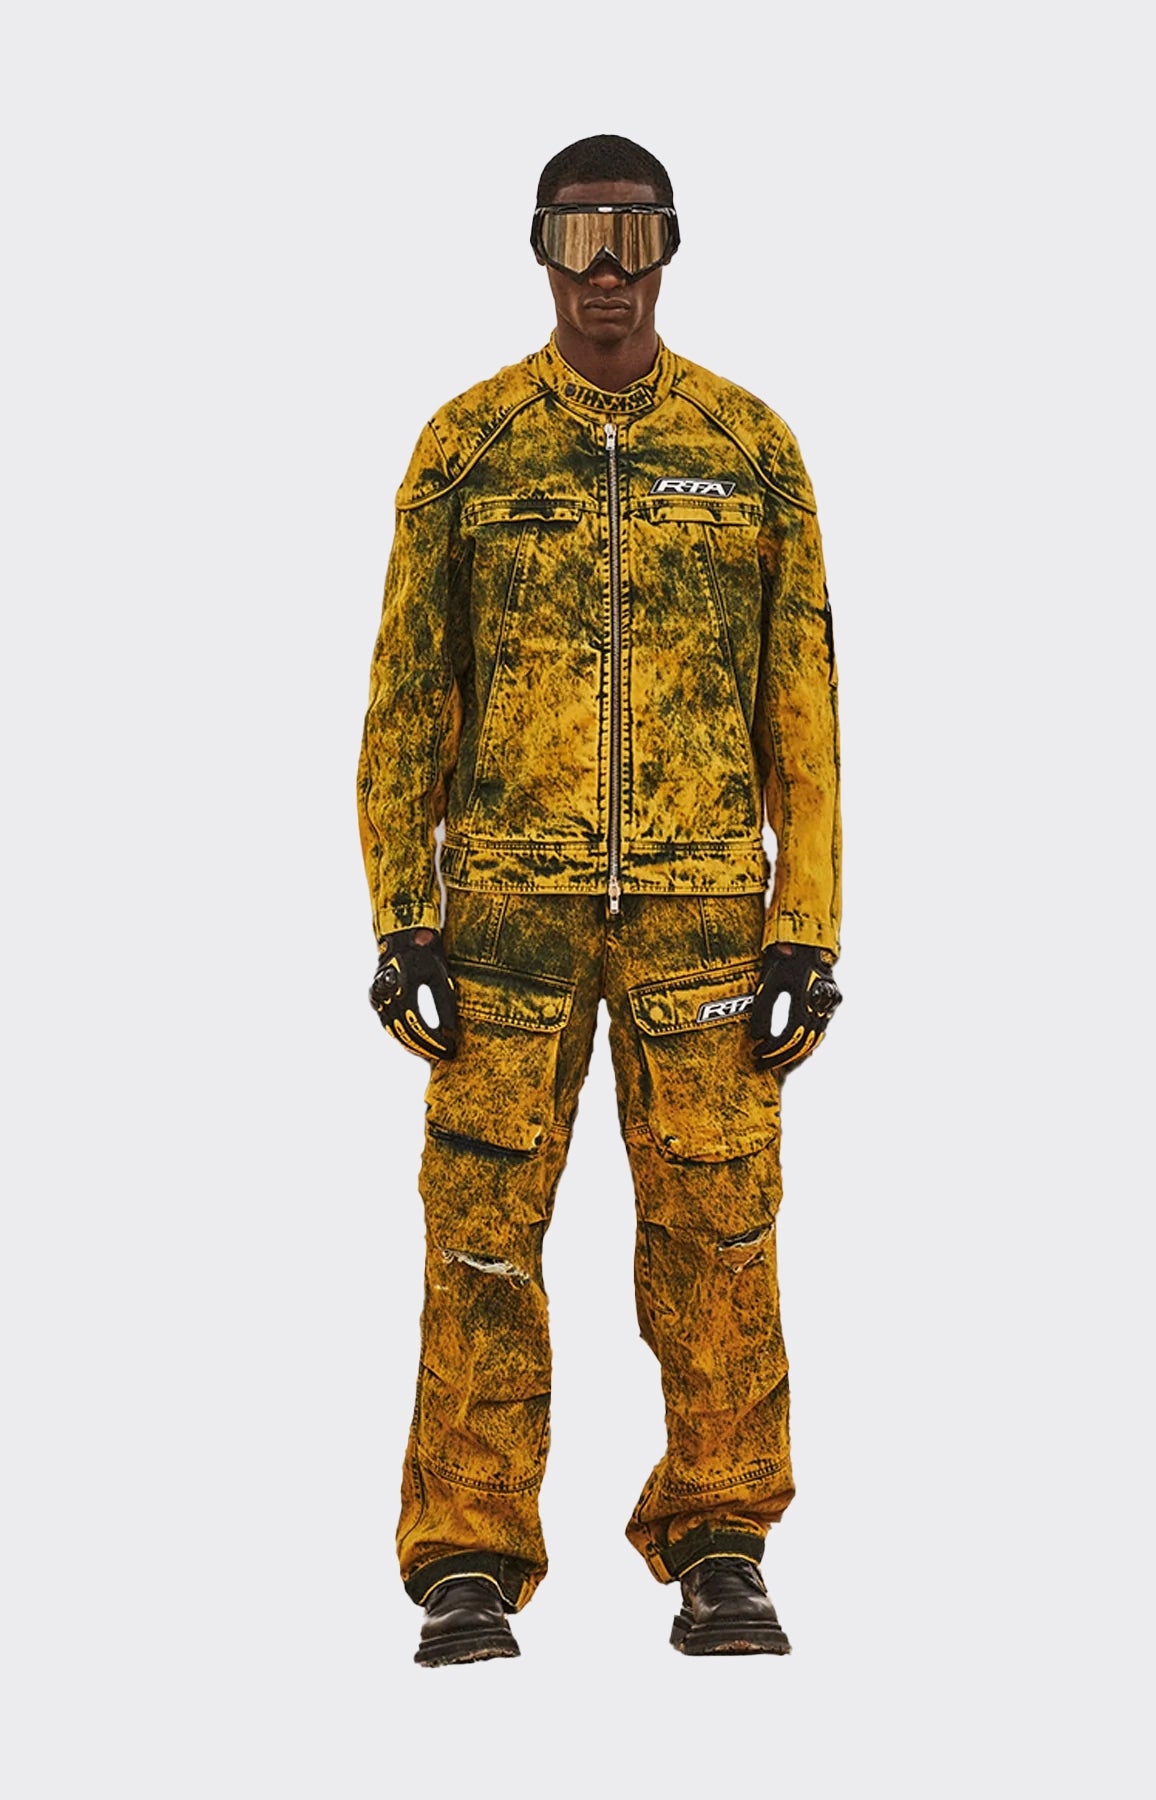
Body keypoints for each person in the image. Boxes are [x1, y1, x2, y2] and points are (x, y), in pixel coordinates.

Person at [357, 134, 842, 1666]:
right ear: (540, 251)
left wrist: (808, 923)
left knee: (720, 1231)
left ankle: (722, 1541)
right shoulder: (470, 448)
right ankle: (467, 1556)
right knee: (481, 1233)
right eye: (581, 236)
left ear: (673, 246)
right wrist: (401, 912)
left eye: (635, 232)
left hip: (706, 913)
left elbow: (803, 701)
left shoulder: (749, 447)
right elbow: (409, 694)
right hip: (507, 915)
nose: (609, 268)